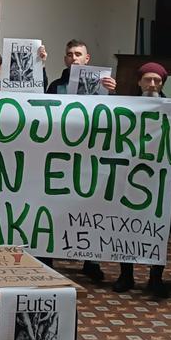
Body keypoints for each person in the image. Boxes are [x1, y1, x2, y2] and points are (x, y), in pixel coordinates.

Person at [111, 62, 171, 298]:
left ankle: (156, 277)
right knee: (125, 224)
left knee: (158, 226)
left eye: (157, 81)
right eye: (148, 80)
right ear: (139, 82)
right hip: (129, 175)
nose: (153, 84)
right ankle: (126, 274)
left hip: (159, 178)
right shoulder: (127, 106)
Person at [45, 39, 115, 282]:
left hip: (91, 155)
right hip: (61, 154)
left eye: (78, 54)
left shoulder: (105, 87)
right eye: (69, 54)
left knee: (90, 206)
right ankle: (48, 254)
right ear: (65, 59)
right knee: (56, 203)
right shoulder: (56, 86)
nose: (73, 58)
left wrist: (114, 94)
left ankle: (90, 259)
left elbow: (116, 118)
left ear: (87, 59)